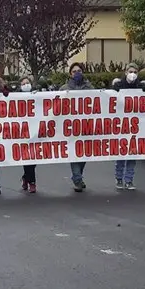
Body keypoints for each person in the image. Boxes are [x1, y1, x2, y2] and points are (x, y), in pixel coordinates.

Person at [111, 63, 145, 190]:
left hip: (135, 126)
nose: (132, 74)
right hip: (122, 126)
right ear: (126, 72)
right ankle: (119, 178)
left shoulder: (141, 86)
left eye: (135, 72)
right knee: (121, 155)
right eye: (130, 71)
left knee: (132, 155)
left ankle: (129, 180)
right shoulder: (119, 85)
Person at [65, 62, 93, 192]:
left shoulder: (89, 87)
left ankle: (78, 176)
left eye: (79, 71)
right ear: (70, 74)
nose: (77, 73)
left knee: (83, 155)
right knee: (74, 154)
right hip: (70, 128)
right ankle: (77, 179)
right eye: (74, 71)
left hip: (86, 127)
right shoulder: (64, 88)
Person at [17, 77, 39, 193]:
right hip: (22, 133)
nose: (26, 85)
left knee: (34, 159)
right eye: (23, 83)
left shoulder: (37, 95)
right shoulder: (15, 97)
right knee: (27, 158)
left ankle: (26, 178)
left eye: (27, 83)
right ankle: (32, 182)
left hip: (35, 132)